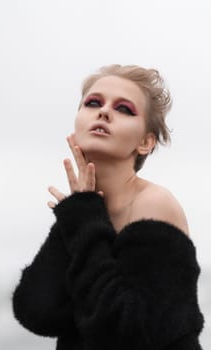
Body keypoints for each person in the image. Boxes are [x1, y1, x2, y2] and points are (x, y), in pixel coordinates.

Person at [12, 64, 205, 350]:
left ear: (145, 142)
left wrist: (83, 219)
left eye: (124, 109)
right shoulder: (85, 209)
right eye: (93, 103)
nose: (103, 112)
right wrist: (78, 215)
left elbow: (131, 330)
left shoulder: (154, 203)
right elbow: (37, 311)